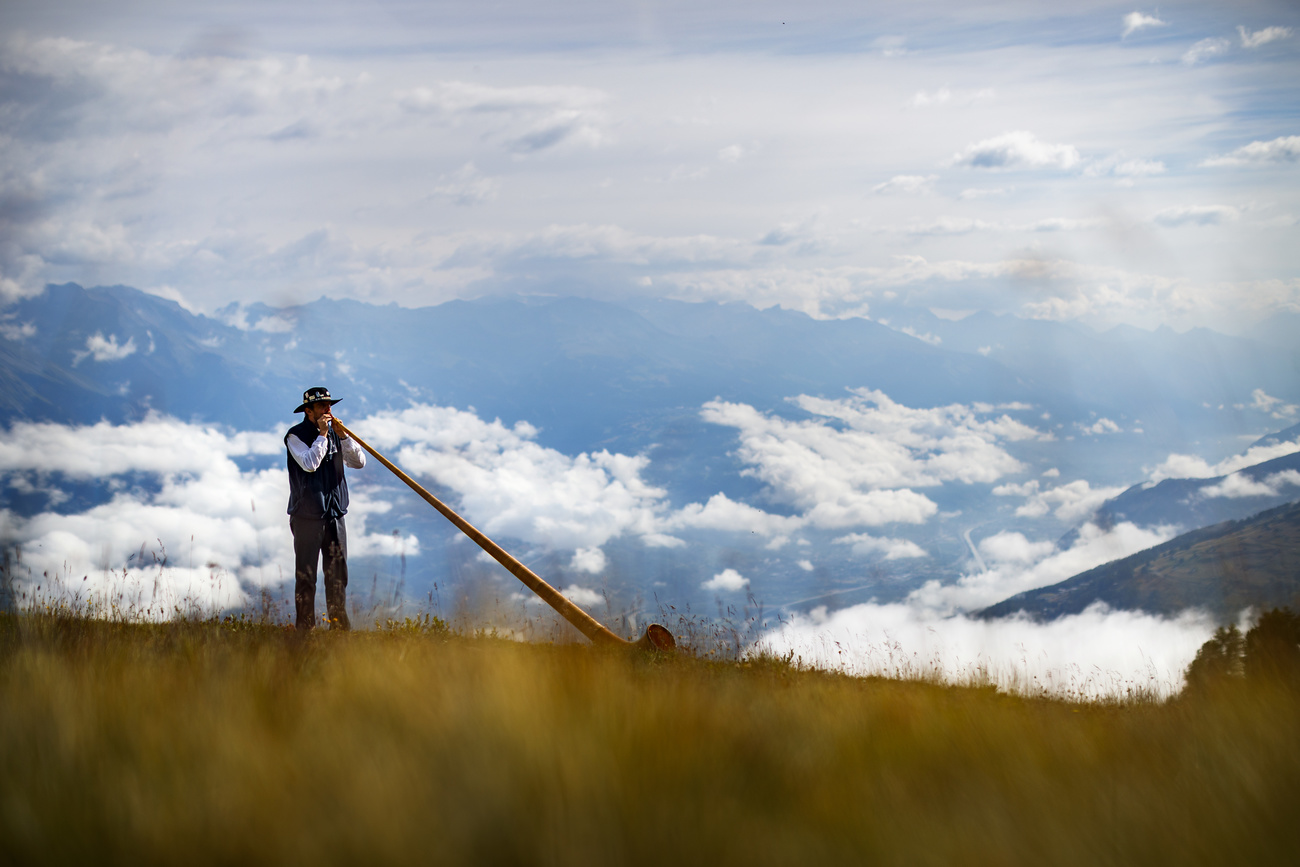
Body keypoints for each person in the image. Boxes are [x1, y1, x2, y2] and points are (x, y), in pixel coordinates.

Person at [285, 386, 366, 630]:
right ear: (308, 411)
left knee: (337, 574)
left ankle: (339, 626)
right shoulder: (295, 436)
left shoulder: (336, 433)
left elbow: (358, 463)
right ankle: (305, 628)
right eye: (322, 406)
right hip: (307, 515)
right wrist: (322, 435)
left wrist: (343, 437)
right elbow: (309, 464)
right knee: (307, 575)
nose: (328, 410)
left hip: (335, 513)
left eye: (329, 405)